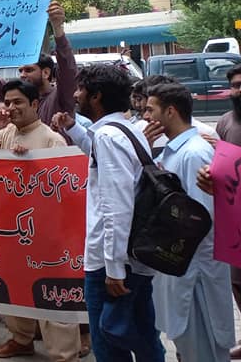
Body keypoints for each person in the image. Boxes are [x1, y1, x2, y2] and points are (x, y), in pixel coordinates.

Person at [0, 81, 81, 361]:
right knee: (14, 285)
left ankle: (64, 354)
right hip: (10, 229)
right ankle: (20, 338)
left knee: (52, 293)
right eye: (8, 102)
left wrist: (32, 164)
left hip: (47, 235)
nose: (11, 108)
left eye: (18, 102)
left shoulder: (52, 140)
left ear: (35, 105)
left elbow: (65, 189)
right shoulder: (6, 133)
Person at [75, 64, 165, 361]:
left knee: (109, 344)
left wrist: (113, 269)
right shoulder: (127, 130)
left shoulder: (108, 137)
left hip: (111, 264)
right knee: (143, 334)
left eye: (80, 90)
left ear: (96, 96)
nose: (76, 96)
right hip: (132, 258)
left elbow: (116, 206)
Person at [143, 83, 234, 361]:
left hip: (195, 275)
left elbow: (199, 221)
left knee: (203, 349)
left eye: (150, 109)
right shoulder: (174, 151)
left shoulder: (194, 153)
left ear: (170, 112)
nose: (145, 116)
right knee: (189, 348)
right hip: (180, 271)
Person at [0, 1, 77, 127]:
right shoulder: (15, 95)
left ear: (46, 73)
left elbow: (67, 70)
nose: (22, 75)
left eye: (29, 70)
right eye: (21, 70)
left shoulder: (61, 96)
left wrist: (57, 28)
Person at [197, 63, 241, 358]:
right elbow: (223, 167)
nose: (239, 90)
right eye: (236, 85)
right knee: (237, 282)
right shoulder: (225, 121)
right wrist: (207, 176)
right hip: (234, 221)